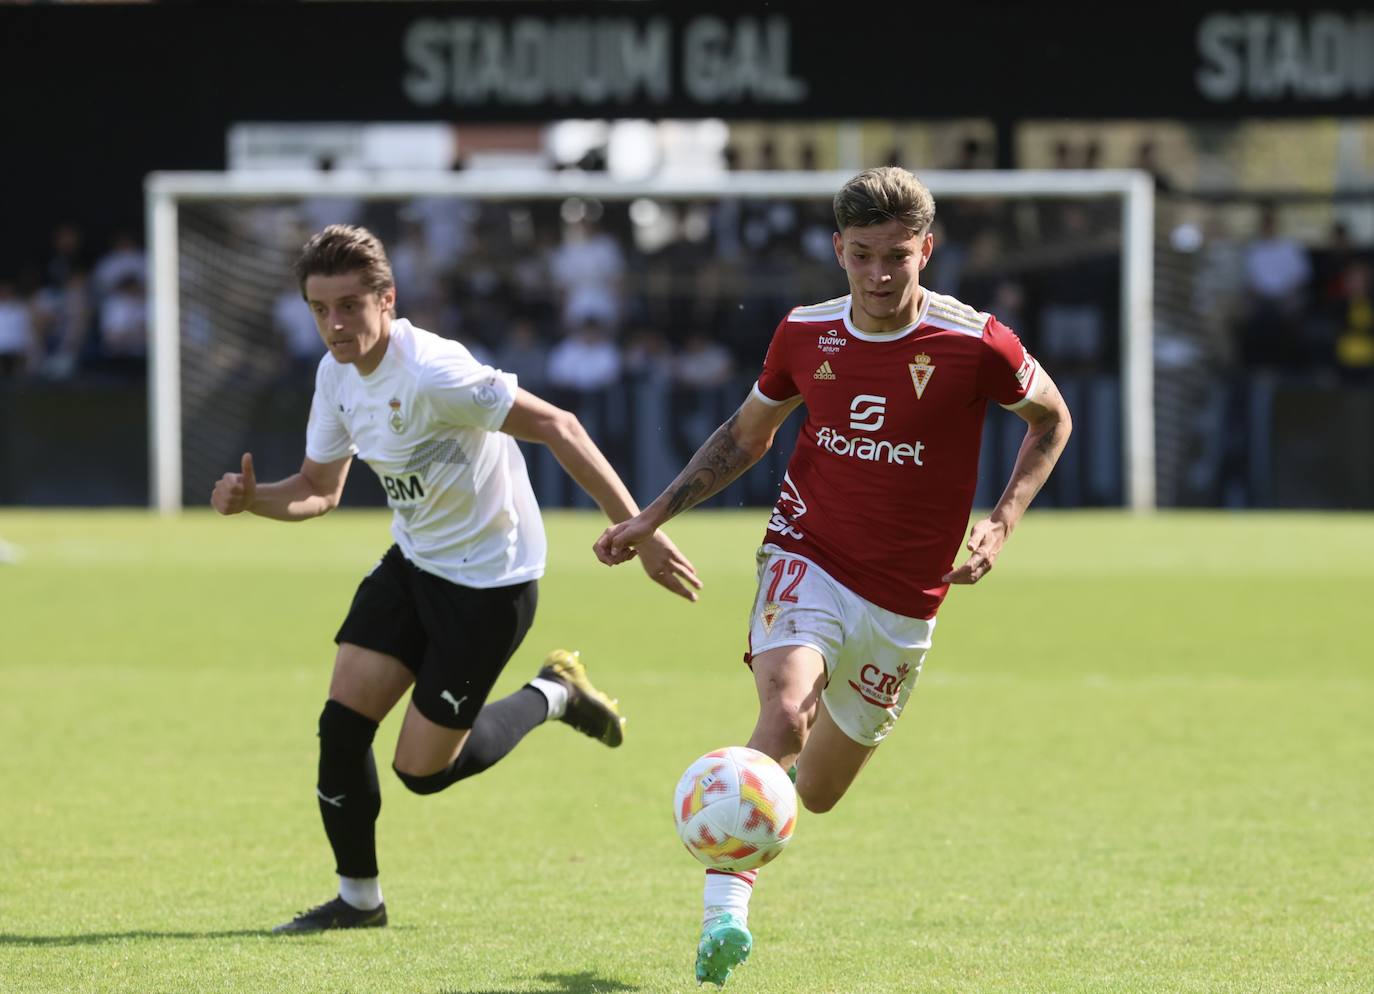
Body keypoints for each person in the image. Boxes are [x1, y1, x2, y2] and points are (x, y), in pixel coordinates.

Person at [594, 167, 1072, 987]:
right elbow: (745, 439)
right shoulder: (803, 333)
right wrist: (651, 517)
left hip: (906, 598)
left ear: (927, 248)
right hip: (806, 552)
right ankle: (722, 919)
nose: (880, 276)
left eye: (897, 257)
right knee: (782, 717)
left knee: (815, 793)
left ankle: (757, 831)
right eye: (861, 256)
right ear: (836, 250)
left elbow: (1050, 419)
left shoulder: (974, 342)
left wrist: (1002, 520)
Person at [211, 224, 700, 934]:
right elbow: (319, 488)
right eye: (321, 309)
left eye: (350, 305)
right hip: (413, 562)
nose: (336, 324)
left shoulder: (437, 373)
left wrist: (641, 530)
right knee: (340, 729)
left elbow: (561, 425)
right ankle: (358, 901)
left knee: (421, 771)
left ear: (388, 297)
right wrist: (253, 499)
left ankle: (554, 694)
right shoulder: (335, 374)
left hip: (490, 582)